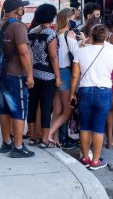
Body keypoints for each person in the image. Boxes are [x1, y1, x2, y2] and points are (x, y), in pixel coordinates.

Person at [70, 24, 113, 170]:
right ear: (105, 37)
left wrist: (72, 94)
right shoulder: (112, 53)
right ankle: (96, 161)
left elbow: (75, 76)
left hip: (85, 91)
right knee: (98, 127)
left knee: (85, 126)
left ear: (90, 36)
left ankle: (85, 157)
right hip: (104, 92)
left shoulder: (81, 52)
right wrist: (108, 83)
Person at [0, 0, 35, 158]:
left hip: (3, 73)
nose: (23, 9)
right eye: (21, 7)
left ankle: (6, 142)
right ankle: (18, 147)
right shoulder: (18, 26)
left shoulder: (1, 24)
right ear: (16, 10)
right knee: (19, 110)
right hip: (16, 74)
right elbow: (24, 52)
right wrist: (30, 75)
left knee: (4, 110)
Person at [27, 3, 61, 148]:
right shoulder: (51, 34)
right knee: (46, 107)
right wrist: (58, 76)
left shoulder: (32, 32)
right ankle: (45, 139)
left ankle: (33, 136)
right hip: (47, 76)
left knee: (32, 105)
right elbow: (53, 56)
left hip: (33, 74)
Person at [49, 8, 79, 148]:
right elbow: (77, 55)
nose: (75, 20)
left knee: (57, 110)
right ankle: (49, 134)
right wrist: (83, 42)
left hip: (55, 74)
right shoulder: (70, 34)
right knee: (68, 110)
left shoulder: (56, 35)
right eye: (73, 17)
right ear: (67, 19)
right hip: (66, 74)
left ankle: (55, 139)